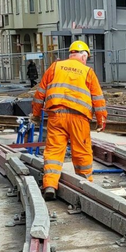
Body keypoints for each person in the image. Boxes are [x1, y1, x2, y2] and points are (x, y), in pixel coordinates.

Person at [32, 40, 107, 200]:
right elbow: (98, 99)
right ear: (83, 55)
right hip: (79, 118)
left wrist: (36, 114)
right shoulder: (88, 72)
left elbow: (40, 93)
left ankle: (50, 185)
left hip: (56, 116)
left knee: (53, 151)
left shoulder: (55, 67)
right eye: (86, 57)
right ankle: (86, 185)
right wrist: (101, 120)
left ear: (71, 53)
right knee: (82, 151)